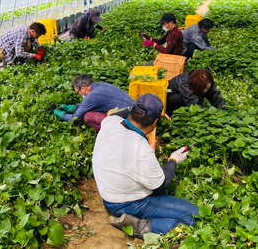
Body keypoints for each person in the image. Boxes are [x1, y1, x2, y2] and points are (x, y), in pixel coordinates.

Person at [92, 94, 200, 239]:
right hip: (127, 203)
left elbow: (120, 113)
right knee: (196, 216)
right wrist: (174, 159)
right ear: (155, 122)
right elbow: (161, 185)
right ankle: (140, 227)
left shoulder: (110, 122)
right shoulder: (141, 149)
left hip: (108, 196)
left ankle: (130, 219)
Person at [53, 74, 134, 132]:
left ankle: (109, 133)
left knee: (88, 116)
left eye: (78, 92)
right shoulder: (104, 86)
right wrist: (72, 107)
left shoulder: (91, 97)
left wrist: (61, 115)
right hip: (134, 113)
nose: (80, 95)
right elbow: (90, 104)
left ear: (83, 89)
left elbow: (75, 118)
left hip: (128, 123)